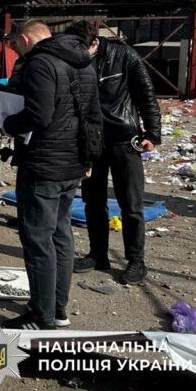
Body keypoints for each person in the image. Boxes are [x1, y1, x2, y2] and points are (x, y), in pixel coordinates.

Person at [0, 20, 102, 330]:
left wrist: (7, 123)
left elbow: (38, 115)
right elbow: (94, 115)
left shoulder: (40, 63)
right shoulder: (84, 62)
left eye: (17, 44)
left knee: (37, 239)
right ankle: (58, 308)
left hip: (44, 165)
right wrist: (88, 158)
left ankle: (41, 315)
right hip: (72, 164)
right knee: (61, 234)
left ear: (27, 38)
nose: (17, 50)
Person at [66, 21, 161, 285]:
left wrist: (152, 134)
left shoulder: (124, 56)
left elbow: (146, 95)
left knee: (131, 204)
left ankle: (135, 261)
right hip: (92, 142)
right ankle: (98, 255)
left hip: (123, 139)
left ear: (94, 43)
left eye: (80, 47)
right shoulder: (77, 62)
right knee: (93, 202)